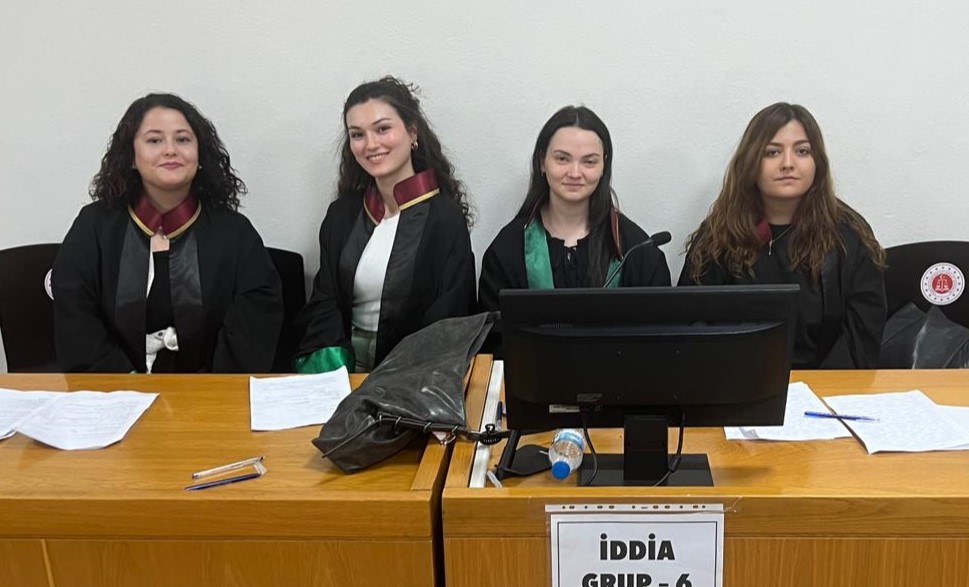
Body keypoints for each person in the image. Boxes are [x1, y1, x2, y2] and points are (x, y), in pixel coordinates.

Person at [53, 93, 283, 373]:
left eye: (183, 139)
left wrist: (208, 388)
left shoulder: (235, 232)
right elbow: (76, 315)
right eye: (154, 140)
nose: (170, 150)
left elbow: (255, 318)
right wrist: (124, 381)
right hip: (116, 388)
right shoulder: (94, 226)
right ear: (131, 157)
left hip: (210, 390)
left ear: (200, 155)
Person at [678, 102, 886, 369]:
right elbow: (690, 324)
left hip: (828, 385)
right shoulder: (718, 235)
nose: (788, 164)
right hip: (736, 382)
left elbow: (862, 335)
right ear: (751, 162)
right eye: (772, 152)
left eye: (802, 151)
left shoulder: (848, 234)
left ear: (817, 162)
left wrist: (819, 388)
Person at [295, 76, 476, 373]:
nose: (371, 144)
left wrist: (393, 378)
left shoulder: (444, 219)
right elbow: (325, 301)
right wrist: (336, 372)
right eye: (357, 134)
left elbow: (449, 315)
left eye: (382, 129)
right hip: (342, 367)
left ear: (412, 131)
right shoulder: (342, 215)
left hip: (412, 372)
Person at [478, 105, 671, 317]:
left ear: (604, 166)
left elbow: (659, 330)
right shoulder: (507, 250)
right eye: (562, 159)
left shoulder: (638, 251)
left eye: (589, 161)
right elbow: (492, 332)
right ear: (542, 161)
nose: (575, 173)